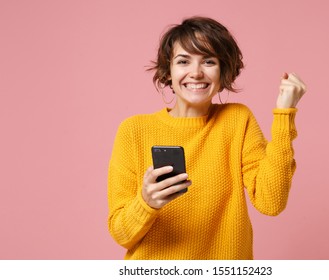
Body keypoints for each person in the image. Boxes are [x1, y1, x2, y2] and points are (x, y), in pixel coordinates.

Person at [107, 16, 306, 260]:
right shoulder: (134, 130)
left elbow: (271, 201)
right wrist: (146, 202)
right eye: (183, 61)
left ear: (223, 71)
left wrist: (284, 114)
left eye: (209, 61)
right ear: (168, 70)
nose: (196, 73)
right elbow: (121, 234)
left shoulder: (237, 119)